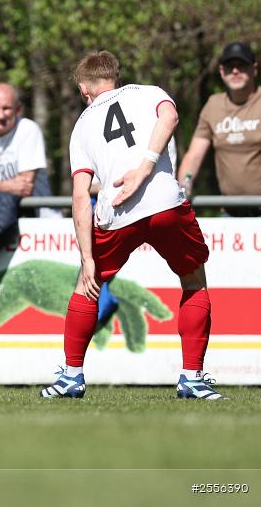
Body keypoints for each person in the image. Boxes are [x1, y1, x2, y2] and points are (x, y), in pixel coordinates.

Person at [41, 50, 223, 400]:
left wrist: (87, 258)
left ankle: (71, 377)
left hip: (116, 211)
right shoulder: (149, 92)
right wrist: (146, 168)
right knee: (194, 280)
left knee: (86, 285)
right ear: (116, 77)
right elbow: (169, 117)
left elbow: (80, 196)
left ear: (84, 89)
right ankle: (191, 378)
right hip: (165, 203)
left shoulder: (82, 125)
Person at [177, 42, 261, 216]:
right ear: (222, 71)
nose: (235, 71)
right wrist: (184, 187)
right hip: (229, 212)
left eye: (242, 65)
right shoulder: (213, 106)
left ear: (254, 69)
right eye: (230, 66)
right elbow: (194, 155)